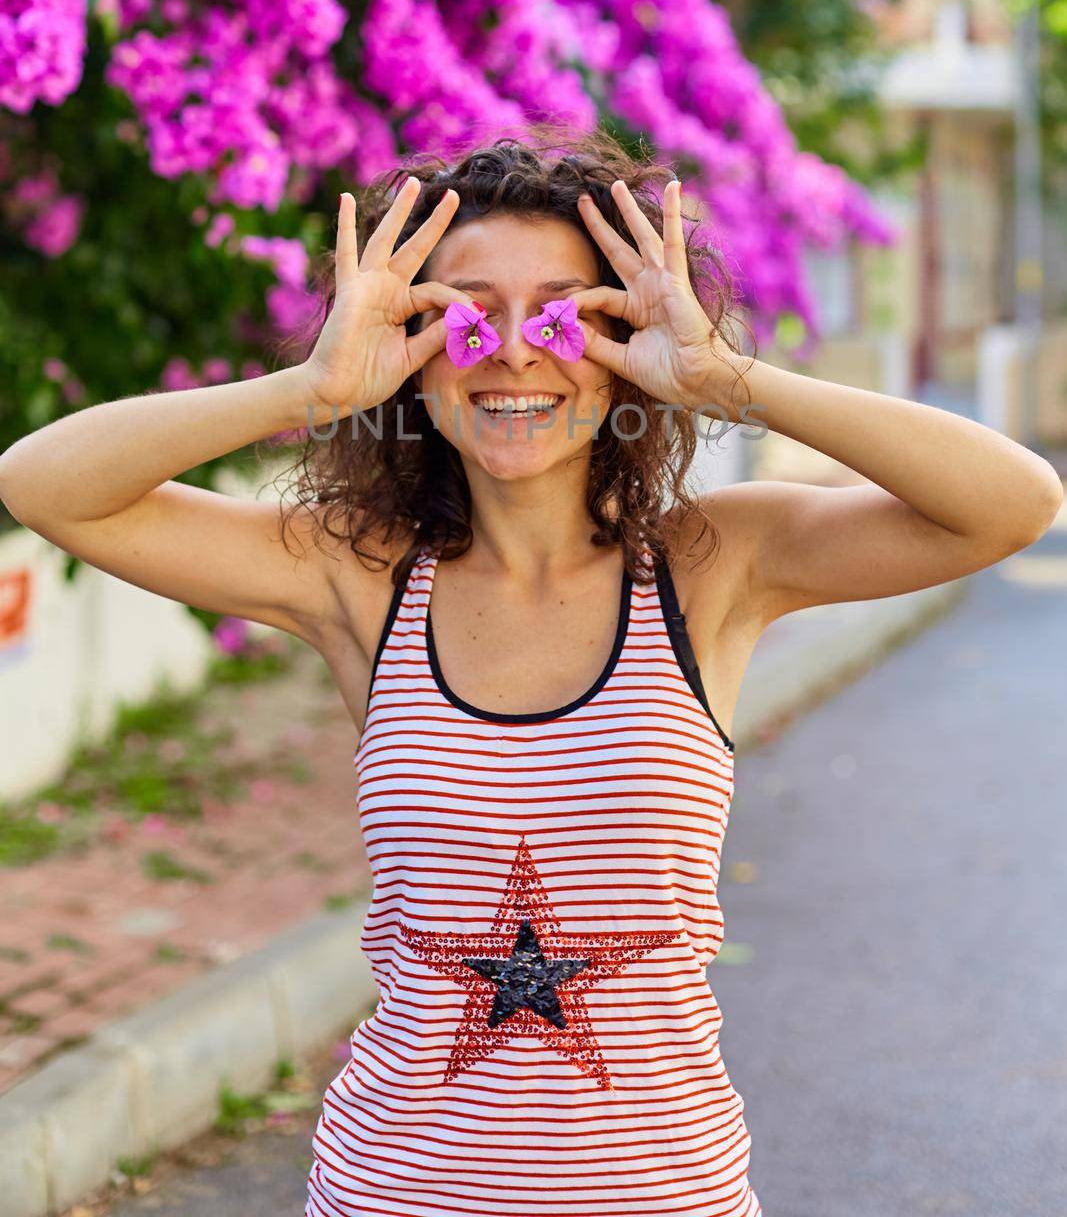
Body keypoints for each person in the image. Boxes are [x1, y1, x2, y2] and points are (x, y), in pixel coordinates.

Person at [0, 130, 1060, 1217]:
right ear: (410, 343)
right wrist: (313, 386)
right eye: (463, 312)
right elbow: (46, 486)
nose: (512, 351)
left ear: (622, 337)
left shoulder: (714, 565)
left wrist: (719, 377)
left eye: (562, 313)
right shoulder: (358, 578)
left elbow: (1012, 503)